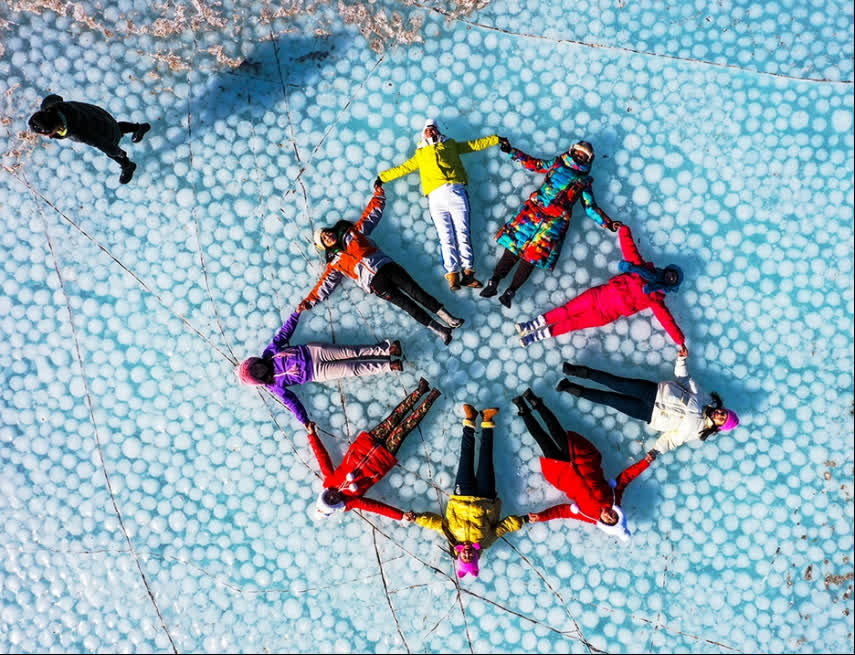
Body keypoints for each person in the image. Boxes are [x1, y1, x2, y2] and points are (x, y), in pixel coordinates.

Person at [297, 182, 464, 345]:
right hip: (375, 284)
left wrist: (378, 195)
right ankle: (441, 330)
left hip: (387, 267)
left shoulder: (352, 233)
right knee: (408, 306)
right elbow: (325, 285)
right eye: (324, 239)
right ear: (324, 246)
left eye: (326, 233)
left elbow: (370, 216)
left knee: (416, 292)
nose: (328, 236)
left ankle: (448, 318)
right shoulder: (334, 263)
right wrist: (308, 302)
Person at [481, 139, 616, 308]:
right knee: (513, 247)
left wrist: (608, 223)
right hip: (533, 213)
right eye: (578, 152)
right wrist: (512, 152)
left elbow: (590, 207)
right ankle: (493, 282)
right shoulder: (558, 164)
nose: (579, 156)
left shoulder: (584, 181)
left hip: (554, 224)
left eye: (584, 156)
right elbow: (535, 164)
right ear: (572, 151)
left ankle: (510, 293)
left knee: (531, 258)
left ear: (588, 160)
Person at [516, 222, 686, 351]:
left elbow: (667, 321)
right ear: (667, 270)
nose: (672, 277)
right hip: (597, 296)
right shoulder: (640, 269)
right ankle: (530, 326)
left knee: (572, 323)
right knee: (566, 310)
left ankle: (535, 337)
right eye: (672, 273)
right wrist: (624, 230)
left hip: (604, 315)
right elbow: (630, 249)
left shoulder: (655, 299)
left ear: (671, 285)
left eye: (674, 279)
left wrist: (680, 341)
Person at [377, 118, 504, 291]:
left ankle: (468, 274)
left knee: (462, 233)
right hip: (435, 198)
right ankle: (453, 275)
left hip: (455, 191)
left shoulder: (450, 145)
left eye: (433, 128)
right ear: (423, 134)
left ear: (438, 131)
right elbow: (403, 168)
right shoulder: (420, 153)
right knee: (446, 236)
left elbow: (473, 145)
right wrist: (382, 178)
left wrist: (496, 139)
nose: (430, 130)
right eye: (427, 128)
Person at [404, 405, 528, 578]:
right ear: (476, 557)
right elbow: (503, 527)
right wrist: (524, 519)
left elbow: (435, 523)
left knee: (466, 457)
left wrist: (416, 518)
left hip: (461, 496)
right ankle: (487, 420)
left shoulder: (452, 537)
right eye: (471, 557)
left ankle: (470, 420)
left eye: (464, 557)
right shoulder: (485, 542)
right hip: (486, 498)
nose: (468, 554)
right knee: (486, 458)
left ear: (459, 555)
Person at [512, 388, 653, 540]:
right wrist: (645, 463)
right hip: (581, 458)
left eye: (609, 520)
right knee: (556, 430)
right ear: (616, 512)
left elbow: (562, 511)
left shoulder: (588, 515)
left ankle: (523, 410)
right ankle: (535, 402)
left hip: (562, 473)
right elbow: (626, 477)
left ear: (605, 524)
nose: (609, 516)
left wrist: (542, 516)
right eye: (614, 516)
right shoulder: (614, 497)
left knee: (542, 439)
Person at [555, 351, 739, 457]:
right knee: (616, 382)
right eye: (723, 412)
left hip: (650, 414)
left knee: (610, 400)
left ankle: (570, 388)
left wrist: (657, 450)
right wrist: (681, 360)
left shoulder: (698, 432)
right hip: (654, 392)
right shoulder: (704, 399)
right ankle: (575, 371)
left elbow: (673, 439)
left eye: (722, 419)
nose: (720, 414)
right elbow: (684, 380)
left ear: (719, 426)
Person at [236, 310, 403, 427]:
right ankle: (388, 365)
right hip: (317, 373)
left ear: (255, 361)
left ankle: (387, 349)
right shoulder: (274, 385)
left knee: (352, 351)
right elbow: (291, 402)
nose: (259, 369)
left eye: (255, 367)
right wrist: (304, 421)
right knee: (352, 368)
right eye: (256, 374)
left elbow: (283, 334)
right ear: (258, 380)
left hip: (314, 351)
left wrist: (296, 314)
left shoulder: (269, 353)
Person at [309, 378, 441, 522]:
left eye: (327, 498)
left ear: (324, 494)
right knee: (405, 427)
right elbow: (376, 507)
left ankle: (420, 390)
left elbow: (322, 457)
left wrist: (312, 435)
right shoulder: (352, 501)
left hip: (366, 444)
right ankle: (431, 397)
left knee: (394, 418)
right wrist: (400, 515)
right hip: (382, 458)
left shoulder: (329, 480)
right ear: (336, 506)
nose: (332, 497)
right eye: (332, 502)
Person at [28, 94, 150, 184]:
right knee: (116, 126)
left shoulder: (80, 132)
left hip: (105, 133)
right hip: (97, 115)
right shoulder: (52, 107)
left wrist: (118, 152)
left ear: (54, 129)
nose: (50, 137)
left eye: (48, 134)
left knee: (112, 148)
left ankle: (128, 165)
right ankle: (139, 127)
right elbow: (56, 97)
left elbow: (102, 144)